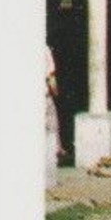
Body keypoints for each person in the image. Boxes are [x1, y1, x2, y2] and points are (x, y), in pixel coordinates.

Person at [45, 47, 61, 189]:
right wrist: (55, 92)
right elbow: (50, 77)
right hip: (44, 98)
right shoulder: (44, 50)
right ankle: (49, 179)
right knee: (50, 133)